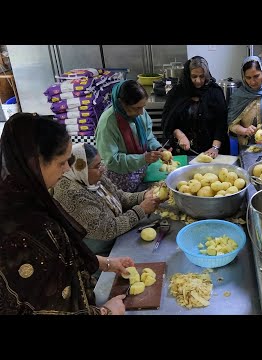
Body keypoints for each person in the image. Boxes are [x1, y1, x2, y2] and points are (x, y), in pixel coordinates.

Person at [0, 113, 133, 315]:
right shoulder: (23, 230)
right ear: (34, 164)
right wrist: (105, 312)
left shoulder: (30, 196)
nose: (67, 170)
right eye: (61, 163)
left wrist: (106, 263)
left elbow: (62, 254)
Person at [52, 143, 163, 258]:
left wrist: (143, 196)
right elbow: (107, 230)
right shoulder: (72, 195)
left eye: (101, 163)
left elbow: (118, 195)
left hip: (117, 234)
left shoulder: (92, 178)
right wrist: (141, 210)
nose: (103, 169)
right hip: (99, 252)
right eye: (97, 166)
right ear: (81, 169)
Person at [96, 79, 167, 193]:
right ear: (121, 103)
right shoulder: (108, 124)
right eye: (137, 108)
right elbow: (111, 161)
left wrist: (157, 148)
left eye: (143, 107)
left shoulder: (140, 114)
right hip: (119, 178)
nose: (141, 112)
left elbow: (148, 137)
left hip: (140, 170)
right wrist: (143, 159)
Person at [162, 56, 230, 157]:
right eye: (194, 76)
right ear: (188, 75)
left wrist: (215, 147)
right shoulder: (177, 93)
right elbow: (167, 121)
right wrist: (179, 135)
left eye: (202, 76)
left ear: (206, 75)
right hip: (183, 149)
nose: (198, 81)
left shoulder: (215, 92)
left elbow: (221, 123)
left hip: (212, 150)